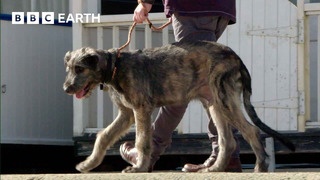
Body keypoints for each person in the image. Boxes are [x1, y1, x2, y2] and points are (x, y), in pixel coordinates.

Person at [120, 0, 242, 172]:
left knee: (183, 86)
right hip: (219, 9)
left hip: (192, 8)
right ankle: (225, 155)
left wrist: (145, 3)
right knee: (193, 83)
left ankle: (148, 153)